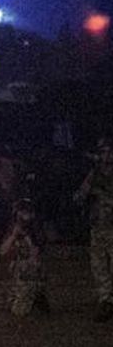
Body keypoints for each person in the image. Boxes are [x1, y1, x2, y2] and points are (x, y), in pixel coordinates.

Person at [74, 136, 113, 322]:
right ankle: (106, 300)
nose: (105, 157)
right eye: (102, 152)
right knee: (99, 265)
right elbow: (81, 194)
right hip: (99, 226)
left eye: (108, 152)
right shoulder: (96, 173)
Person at [0, 198, 50, 317]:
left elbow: (36, 254)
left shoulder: (36, 231)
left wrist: (27, 238)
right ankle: (26, 293)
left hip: (31, 271)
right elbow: (3, 251)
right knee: (13, 304)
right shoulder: (13, 229)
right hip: (20, 269)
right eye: (21, 212)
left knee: (20, 311)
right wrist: (14, 236)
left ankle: (35, 293)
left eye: (26, 212)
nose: (23, 216)